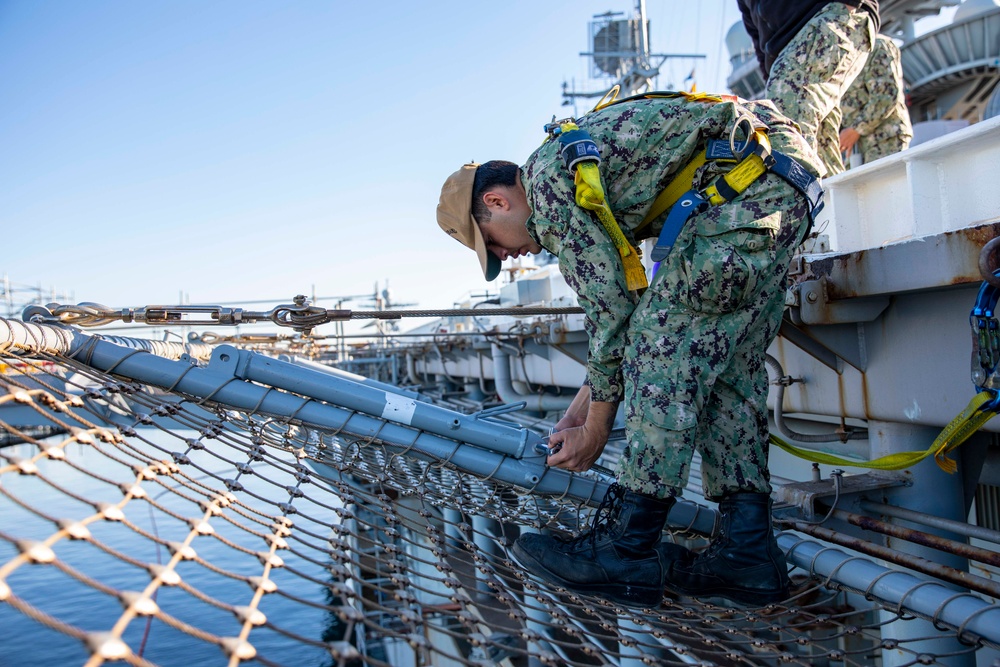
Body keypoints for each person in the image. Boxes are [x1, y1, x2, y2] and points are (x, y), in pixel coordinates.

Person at [435, 91, 824, 608]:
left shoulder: (549, 187)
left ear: (497, 202)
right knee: (728, 373)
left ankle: (628, 548)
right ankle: (747, 555)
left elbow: (616, 316)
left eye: (494, 245)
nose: (507, 258)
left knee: (659, 357)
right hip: (777, 188)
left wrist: (595, 430)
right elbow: (626, 309)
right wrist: (578, 411)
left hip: (746, 195)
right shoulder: (572, 163)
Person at [738, 0, 879, 176]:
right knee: (819, 141)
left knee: (786, 127)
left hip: (828, 15)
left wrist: (848, 5)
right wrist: (773, 82)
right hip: (792, 48)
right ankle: (833, 198)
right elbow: (758, 36)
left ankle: (801, 198)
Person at [839, 33, 913, 166]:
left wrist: (856, 129)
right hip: (856, 148)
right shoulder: (846, 51)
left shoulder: (877, 45)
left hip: (885, 140)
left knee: (888, 185)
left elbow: (885, 96)